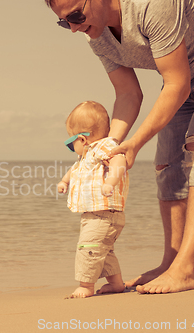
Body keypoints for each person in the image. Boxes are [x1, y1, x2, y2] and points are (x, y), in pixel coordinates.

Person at [45, 0, 194, 294]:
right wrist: (113, 147)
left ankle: (185, 269)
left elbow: (176, 82)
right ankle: (170, 262)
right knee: (166, 163)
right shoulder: (97, 33)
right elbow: (128, 93)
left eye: (76, 16)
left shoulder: (152, 5)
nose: (74, 28)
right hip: (181, 74)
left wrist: (135, 143)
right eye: (65, 22)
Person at [57, 101, 129, 298]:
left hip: (104, 213)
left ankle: (86, 286)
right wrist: (64, 181)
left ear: (82, 139)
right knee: (103, 250)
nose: (72, 148)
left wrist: (111, 182)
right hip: (96, 214)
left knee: (87, 247)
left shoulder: (103, 147)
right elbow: (75, 170)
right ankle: (116, 284)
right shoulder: (86, 156)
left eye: (70, 144)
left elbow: (119, 159)